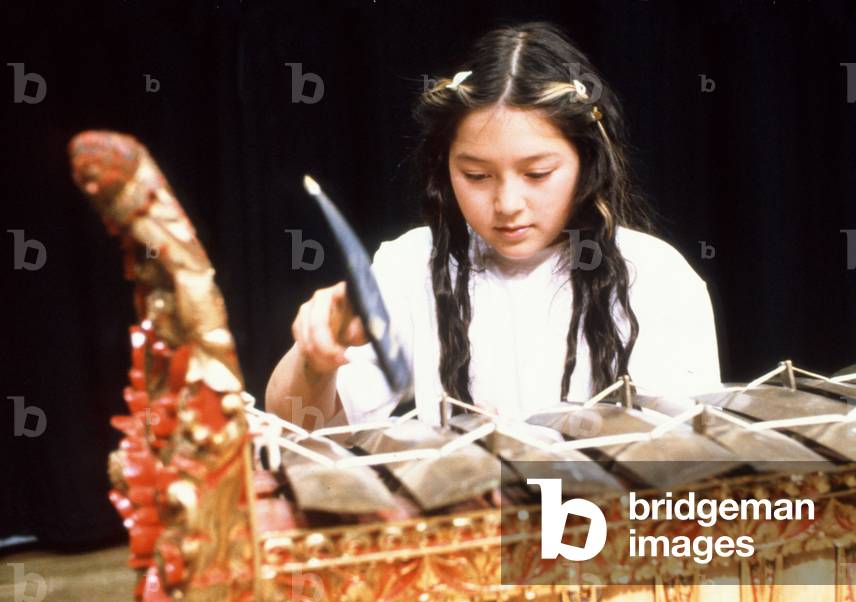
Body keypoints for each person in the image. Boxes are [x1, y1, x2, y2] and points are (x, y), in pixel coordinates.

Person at [265, 21, 721, 430]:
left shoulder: (658, 276)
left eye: (537, 174)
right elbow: (301, 426)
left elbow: (695, 459)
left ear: (587, 163)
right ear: (445, 169)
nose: (507, 204)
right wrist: (314, 361)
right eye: (477, 176)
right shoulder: (411, 267)